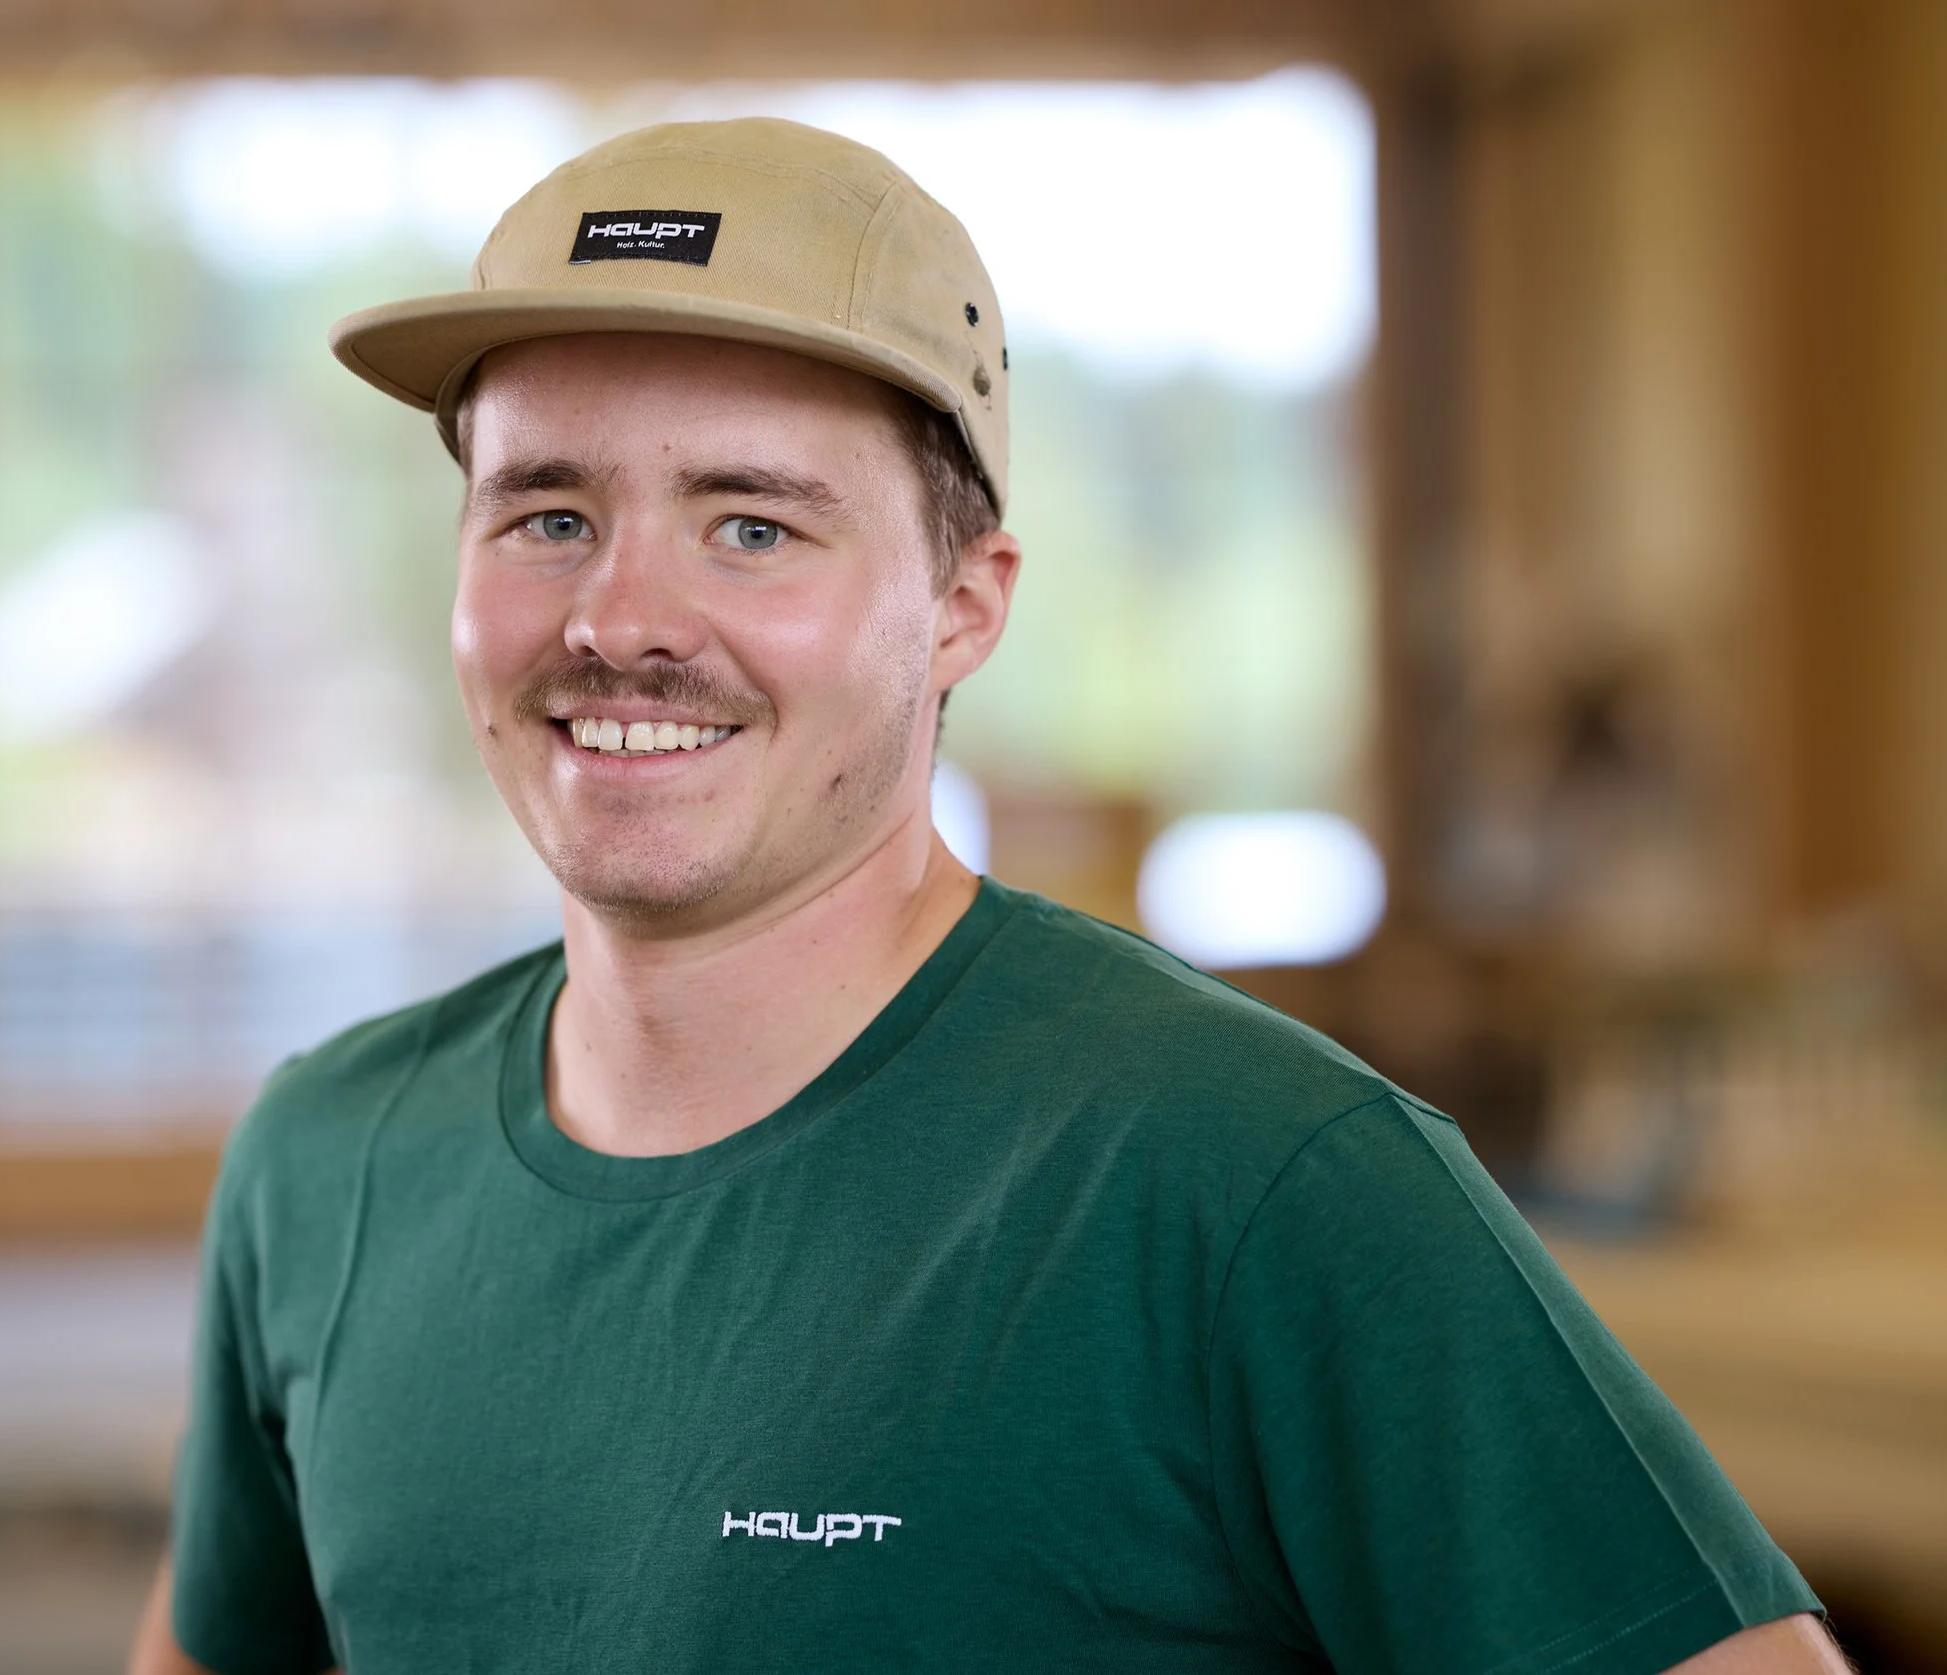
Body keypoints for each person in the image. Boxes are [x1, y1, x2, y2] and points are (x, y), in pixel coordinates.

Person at [132, 119, 1843, 1674]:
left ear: (963, 606)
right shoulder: (327, 1163)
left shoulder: (1254, 1177)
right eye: (548, 515)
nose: (620, 617)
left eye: (752, 526)